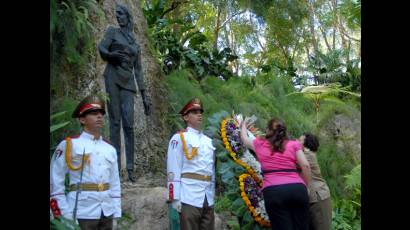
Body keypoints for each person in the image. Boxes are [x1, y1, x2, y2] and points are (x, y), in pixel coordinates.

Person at [50, 95, 121, 230]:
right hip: (81, 211)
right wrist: (64, 215)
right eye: (94, 113)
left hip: (106, 211)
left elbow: (115, 183)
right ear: (82, 119)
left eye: (101, 113)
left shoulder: (109, 148)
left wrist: (116, 213)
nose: (99, 116)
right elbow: (55, 182)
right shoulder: (69, 144)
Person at [98, 4, 150, 182]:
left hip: (128, 83)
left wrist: (144, 97)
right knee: (115, 122)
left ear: (128, 17)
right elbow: (102, 49)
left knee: (129, 125)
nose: (118, 17)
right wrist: (112, 56)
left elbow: (139, 71)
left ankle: (130, 169)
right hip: (112, 77)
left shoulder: (135, 43)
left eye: (120, 14)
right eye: (116, 14)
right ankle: (114, 169)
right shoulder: (112, 32)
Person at [240, 117, 311, 230]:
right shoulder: (294, 144)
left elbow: (244, 139)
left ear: (268, 130)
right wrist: (305, 186)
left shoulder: (259, 144)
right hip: (297, 189)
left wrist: (243, 124)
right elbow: (306, 165)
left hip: (274, 192)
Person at [166, 98, 216, 230]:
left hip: (207, 197)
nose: (199, 114)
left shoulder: (208, 141)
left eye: (200, 111)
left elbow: (212, 170)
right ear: (186, 117)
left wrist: (212, 194)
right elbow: (173, 168)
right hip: (189, 196)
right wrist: (174, 197)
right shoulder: (179, 138)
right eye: (194, 112)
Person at [299, 133, 332, 230]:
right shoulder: (305, 154)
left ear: (306, 144)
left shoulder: (308, 155)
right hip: (314, 197)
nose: (296, 142)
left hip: (319, 198)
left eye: (299, 140)